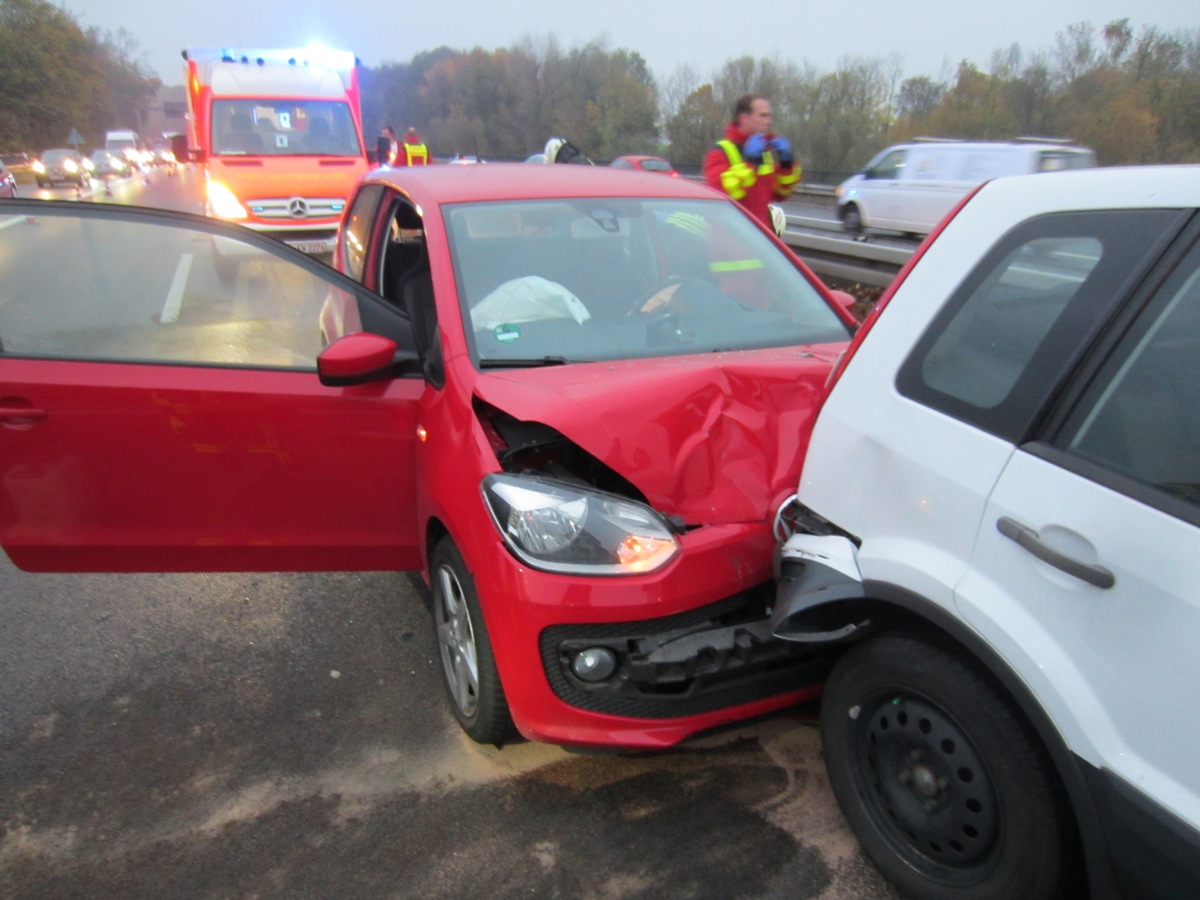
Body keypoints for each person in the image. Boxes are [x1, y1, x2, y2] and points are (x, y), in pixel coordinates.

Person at [703, 94, 801, 230]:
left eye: (769, 116)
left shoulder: (765, 151)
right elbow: (721, 196)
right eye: (763, 116)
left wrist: (786, 164)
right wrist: (750, 163)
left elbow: (780, 194)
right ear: (744, 118)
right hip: (730, 238)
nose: (769, 121)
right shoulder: (720, 152)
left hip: (759, 235)